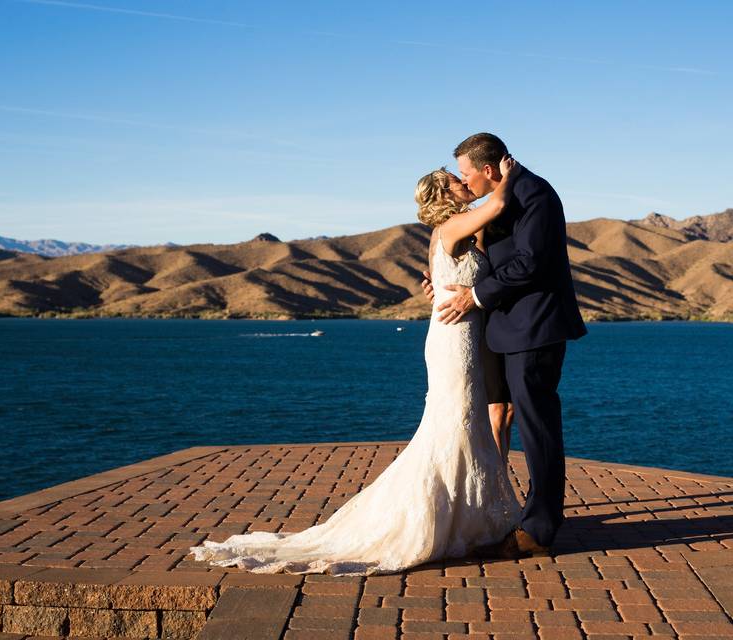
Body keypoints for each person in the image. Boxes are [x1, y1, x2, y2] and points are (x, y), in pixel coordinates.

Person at [188, 155, 523, 575]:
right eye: (456, 181)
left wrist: (439, 289)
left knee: (459, 425)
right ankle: (449, 519)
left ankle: (466, 516)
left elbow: (452, 275)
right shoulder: (454, 225)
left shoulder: (447, 232)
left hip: (458, 333)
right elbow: (496, 205)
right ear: (444, 195)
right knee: (455, 423)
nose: (464, 183)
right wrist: (508, 176)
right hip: (454, 339)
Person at [424, 132, 587, 558]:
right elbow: (492, 260)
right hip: (505, 328)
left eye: (466, 174)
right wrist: (448, 286)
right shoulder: (502, 198)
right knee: (521, 420)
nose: (465, 181)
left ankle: (540, 529)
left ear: (489, 170)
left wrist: (473, 296)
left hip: (535, 328)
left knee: (538, 426)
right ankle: (523, 515)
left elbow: (531, 262)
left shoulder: (535, 195)